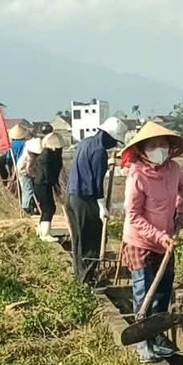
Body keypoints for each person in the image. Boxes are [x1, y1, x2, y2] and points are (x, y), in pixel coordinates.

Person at [121, 121, 183, 363]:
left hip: (166, 240)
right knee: (144, 291)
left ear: (170, 148)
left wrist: (182, 214)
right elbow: (133, 215)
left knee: (163, 291)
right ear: (142, 149)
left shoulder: (174, 169)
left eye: (163, 144)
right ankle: (143, 343)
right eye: (153, 145)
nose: (159, 148)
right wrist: (160, 236)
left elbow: (182, 189)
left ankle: (158, 338)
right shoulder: (137, 175)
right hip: (140, 240)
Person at [65, 116, 128, 283]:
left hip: (71, 197)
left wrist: (107, 164)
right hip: (86, 198)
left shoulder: (85, 143)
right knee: (92, 240)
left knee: (79, 239)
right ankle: (87, 280)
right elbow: (97, 181)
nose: (114, 145)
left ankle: (79, 277)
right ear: (109, 136)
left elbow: (88, 168)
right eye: (115, 142)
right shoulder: (99, 151)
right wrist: (102, 206)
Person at [33, 130, 64, 240]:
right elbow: (47, 174)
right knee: (48, 208)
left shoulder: (52, 155)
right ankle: (45, 234)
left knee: (48, 208)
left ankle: (43, 233)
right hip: (42, 184)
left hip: (44, 184)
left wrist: (56, 185)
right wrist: (54, 185)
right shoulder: (46, 156)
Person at [15, 137, 43, 213]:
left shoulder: (26, 152)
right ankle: (27, 207)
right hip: (23, 173)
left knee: (26, 190)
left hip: (22, 172)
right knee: (28, 190)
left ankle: (27, 206)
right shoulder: (29, 157)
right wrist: (32, 175)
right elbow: (27, 168)